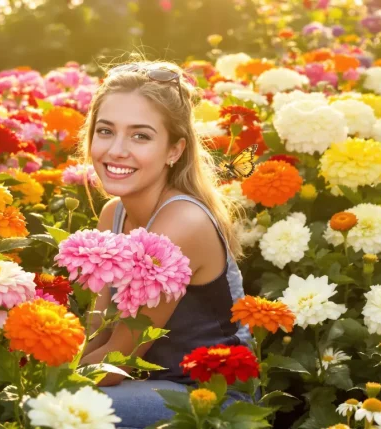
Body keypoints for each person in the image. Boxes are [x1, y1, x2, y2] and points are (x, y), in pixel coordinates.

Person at [77, 60, 253, 428]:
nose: (116, 150)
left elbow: (117, 361)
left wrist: (39, 386)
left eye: (140, 136)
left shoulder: (181, 224)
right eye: (105, 131)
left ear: (174, 150)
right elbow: (99, 330)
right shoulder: (113, 214)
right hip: (143, 384)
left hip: (210, 400)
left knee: (64, 411)